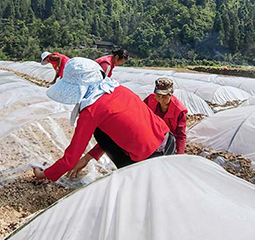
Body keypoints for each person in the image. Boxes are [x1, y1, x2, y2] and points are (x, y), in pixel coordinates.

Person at [32, 58, 175, 182]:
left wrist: (44, 174)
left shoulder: (91, 111)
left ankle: (134, 174)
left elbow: (71, 158)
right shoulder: (118, 89)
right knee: (103, 130)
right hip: (168, 142)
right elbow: (120, 131)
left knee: (99, 133)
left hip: (149, 158)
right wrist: (88, 158)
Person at [143, 78, 188, 154]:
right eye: (158, 95)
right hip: (151, 136)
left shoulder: (179, 110)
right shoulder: (150, 99)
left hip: (168, 140)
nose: (161, 99)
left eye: (164, 96)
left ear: (171, 94)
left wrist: (180, 154)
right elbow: (141, 114)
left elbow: (181, 135)